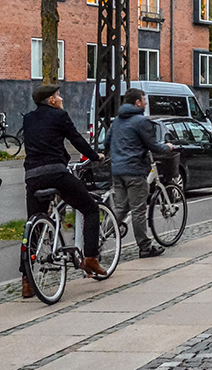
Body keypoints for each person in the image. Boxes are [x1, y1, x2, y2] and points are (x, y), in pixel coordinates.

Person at [21, 84, 107, 298]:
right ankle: (91, 259)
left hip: (32, 176)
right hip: (56, 173)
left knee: (34, 225)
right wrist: (95, 156)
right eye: (58, 95)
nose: (61, 98)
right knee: (90, 208)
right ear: (51, 100)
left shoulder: (28, 119)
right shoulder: (60, 116)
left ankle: (27, 281)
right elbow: (76, 139)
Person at [105, 88, 173, 258]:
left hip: (118, 170)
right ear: (137, 102)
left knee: (120, 208)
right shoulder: (141, 121)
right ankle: (145, 247)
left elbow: (107, 142)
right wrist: (168, 147)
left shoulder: (116, 121)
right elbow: (153, 146)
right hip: (135, 170)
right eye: (144, 99)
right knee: (138, 210)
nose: (146, 103)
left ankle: (101, 235)